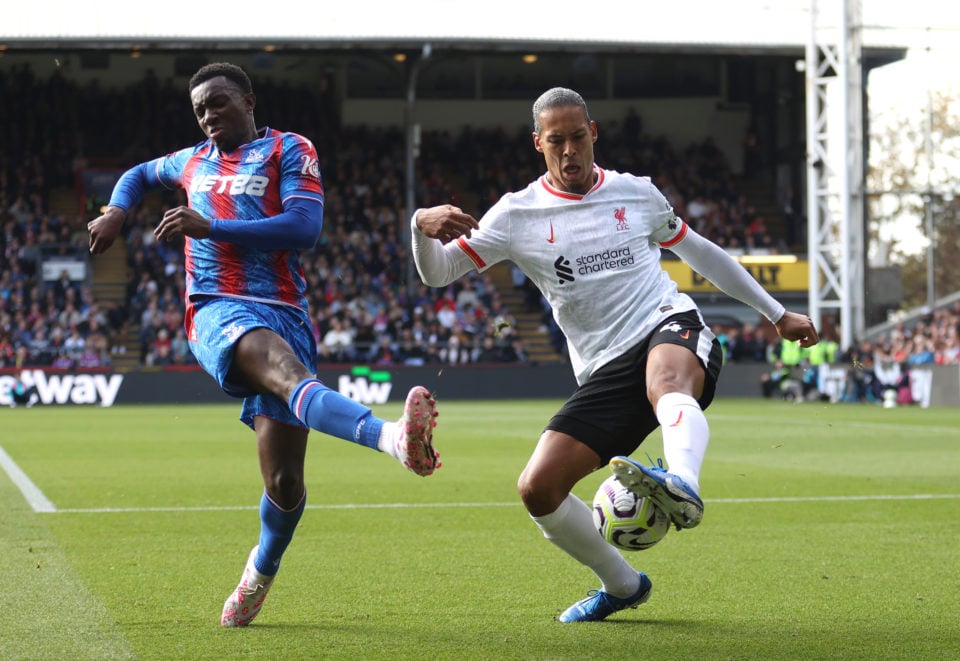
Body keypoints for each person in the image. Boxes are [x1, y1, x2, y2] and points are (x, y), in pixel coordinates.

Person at [410, 87, 818, 623]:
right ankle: (622, 584)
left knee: (666, 382)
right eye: (556, 141)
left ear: (593, 133)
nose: (570, 151)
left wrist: (775, 312)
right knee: (538, 488)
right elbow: (436, 273)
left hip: (667, 325)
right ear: (539, 143)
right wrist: (419, 224)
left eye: (578, 137)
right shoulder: (516, 216)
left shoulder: (636, 194)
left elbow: (698, 251)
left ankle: (684, 488)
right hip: (604, 367)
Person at [87, 62, 441, 628]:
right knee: (282, 371)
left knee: (284, 481)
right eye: (200, 109)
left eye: (219, 102)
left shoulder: (289, 150)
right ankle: (393, 439)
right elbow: (136, 173)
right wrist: (115, 211)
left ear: (249, 100)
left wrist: (212, 227)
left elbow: (305, 228)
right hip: (216, 306)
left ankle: (257, 574)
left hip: (286, 311)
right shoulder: (190, 161)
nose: (208, 116)